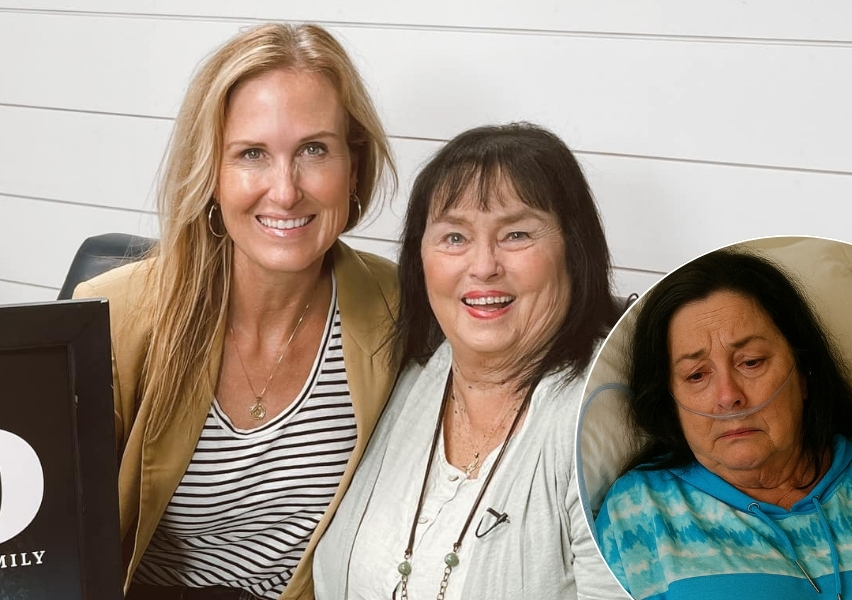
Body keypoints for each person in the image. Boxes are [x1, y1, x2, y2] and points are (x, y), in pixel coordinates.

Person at [72, 23, 399, 600]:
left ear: (353, 168)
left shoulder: (400, 307)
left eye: (314, 150)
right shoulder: (115, 314)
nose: (285, 191)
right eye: (252, 154)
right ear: (211, 176)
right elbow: (47, 534)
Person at [313, 123, 628, 599]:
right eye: (455, 237)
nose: (483, 266)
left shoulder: (603, 421)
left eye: (516, 234)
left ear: (574, 250)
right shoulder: (400, 374)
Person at [595, 248, 852, 599]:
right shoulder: (638, 511)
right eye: (697, 375)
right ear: (670, 403)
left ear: (804, 373)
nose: (728, 396)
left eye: (751, 362)